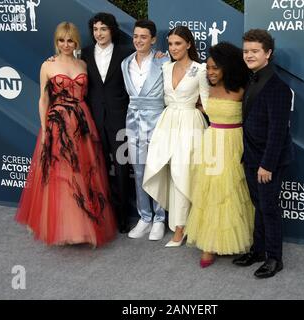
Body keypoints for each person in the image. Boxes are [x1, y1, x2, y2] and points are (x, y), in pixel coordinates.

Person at [15, 22, 117, 246]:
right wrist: (43, 129)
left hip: (82, 122)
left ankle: (83, 227)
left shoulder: (83, 63)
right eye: (62, 40)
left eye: (70, 40)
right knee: (61, 176)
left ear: (76, 42)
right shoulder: (47, 65)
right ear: (56, 42)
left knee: (84, 173)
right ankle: (63, 228)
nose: (66, 44)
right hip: (57, 124)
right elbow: (43, 100)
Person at [184, 42, 254, 268]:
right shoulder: (206, 87)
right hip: (211, 142)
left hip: (233, 144)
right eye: (208, 67)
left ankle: (235, 240)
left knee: (231, 192)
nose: (210, 72)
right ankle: (209, 245)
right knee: (210, 192)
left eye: (215, 67)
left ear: (228, 66)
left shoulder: (244, 89)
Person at [232, 29, 294, 278]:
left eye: (255, 51)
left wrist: (266, 165)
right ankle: (258, 251)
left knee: (269, 209)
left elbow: (278, 132)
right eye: (246, 51)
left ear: (268, 53)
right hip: (252, 157)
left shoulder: (278, 88)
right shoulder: (253, 79)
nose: (249, 55)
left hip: (269, 161)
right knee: (259, 206)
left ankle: (274, 258)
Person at [143, 26, 209, 247]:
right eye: (170, 44)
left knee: (184, 173)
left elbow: (207, 102)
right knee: (170, 172)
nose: (173, 48)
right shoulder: (165, 66)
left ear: (189, 44)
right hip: (167, 123)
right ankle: (180, 223)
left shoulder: (200, 69)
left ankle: (181, 229)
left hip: (190, 124)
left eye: (178, 43)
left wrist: (200, 110)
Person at [81, 13, 134, 233]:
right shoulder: (83, 53)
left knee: (122, 169)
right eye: (95, 29)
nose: (99, 33)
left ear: (111, 30)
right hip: (93, 119)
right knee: (96, 167)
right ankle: (100, 215)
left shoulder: (126, 53)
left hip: (119, 119)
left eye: (103, 29)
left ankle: (122, 217)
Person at [121, 20, 169, 241]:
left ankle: (159, 219)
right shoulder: (125, 63)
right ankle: (145, 217)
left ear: (153, 39)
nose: (138, 40)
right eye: (135, 36)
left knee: (158, 169)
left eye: (143, 37)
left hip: (158, 120)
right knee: (138, 170)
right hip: (133, 120)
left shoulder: (165, 61)